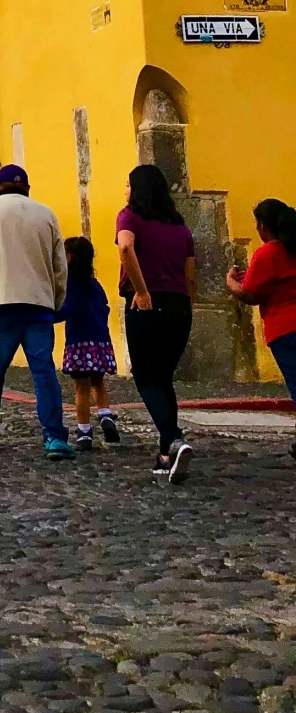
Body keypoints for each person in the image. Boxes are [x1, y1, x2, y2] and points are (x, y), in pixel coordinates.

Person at [0, 163, 72, 457]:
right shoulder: (47, 215)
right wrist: (56, 301)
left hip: (0, 303)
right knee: (43, 372)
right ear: (27, 189)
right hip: (38, 306)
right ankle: (55, 437)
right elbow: (60, 267)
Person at [117, 163, 196, 483]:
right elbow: (191, 276)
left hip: (146, 304)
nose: (124, 190)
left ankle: (174, 438)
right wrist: (186, 305)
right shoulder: (180, 227)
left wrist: (142, 291)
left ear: (137, 189)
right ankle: (167, 455)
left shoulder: (129, 216)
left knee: (147, 378)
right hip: (179, 307)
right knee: (163, 378)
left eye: (127, 184)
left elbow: (125, 246)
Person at [228, 199, 296, 448]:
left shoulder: (268, 252)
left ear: (264, 226)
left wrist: (232, 284)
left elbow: (251, 294)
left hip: (285, 328)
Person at [61, 235, 121, 449]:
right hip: (100, 341)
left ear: (68, 258)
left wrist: (48, 316)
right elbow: (105, 307)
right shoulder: (95, 284)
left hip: (78, 342)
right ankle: (105, 415)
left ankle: (84, 432)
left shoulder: (70, 286)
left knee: (81, 389)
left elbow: (66, 309)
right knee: (99, 383)